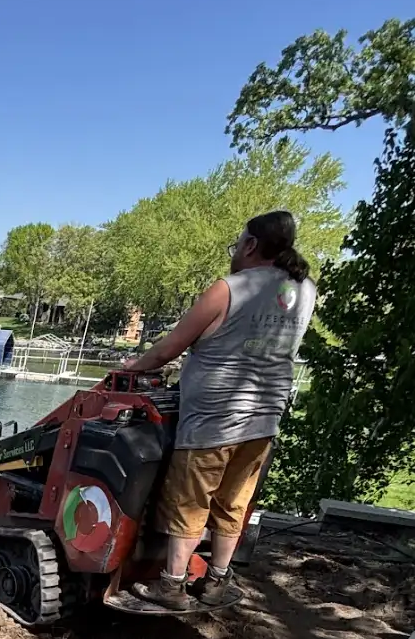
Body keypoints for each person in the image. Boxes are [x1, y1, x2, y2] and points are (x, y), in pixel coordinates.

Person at [124, 209, 316, 611]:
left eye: (237, 243)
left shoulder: (228, 289)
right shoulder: (304, 289)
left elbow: (168, 349)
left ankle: (171, 586)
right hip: (264, 419)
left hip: (214, 418)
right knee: (234, 502)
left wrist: (130, 368)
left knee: (189, 501)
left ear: (250, 245)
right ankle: (216, 581)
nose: (235, 251)